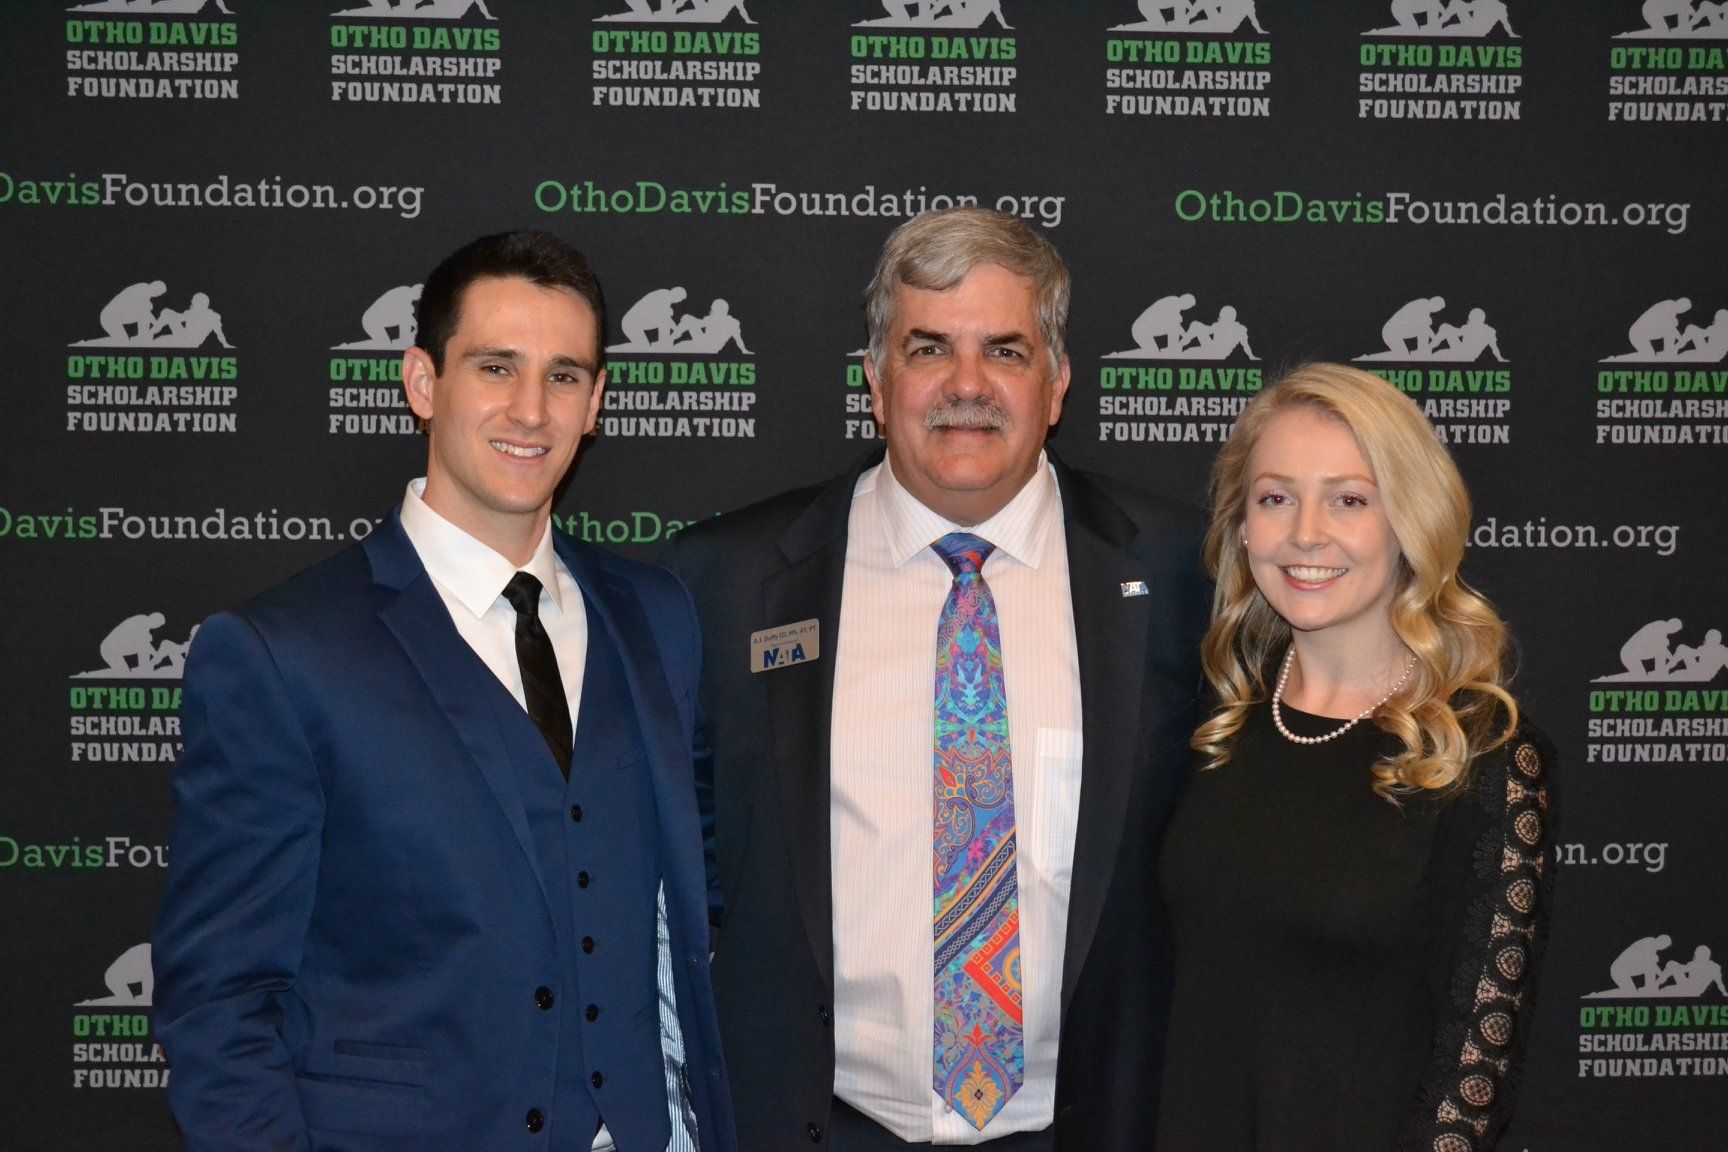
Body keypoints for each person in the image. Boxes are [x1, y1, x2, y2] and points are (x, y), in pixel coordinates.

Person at [152, 231, 735, 1152]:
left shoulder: (658, 616)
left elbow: (696, 906)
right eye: (496, 367)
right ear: (423, 382)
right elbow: (221, 1001)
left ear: (597, 406)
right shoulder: (280, 652)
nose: (531, 410)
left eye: (565, 376)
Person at [663, 207, 1208, 1151]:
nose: (967, 385)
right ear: (876, 382)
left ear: (1058, 383)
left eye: (1005, 349)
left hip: (1079, 1127)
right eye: (928, 349)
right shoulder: (727, 582)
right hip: (822, 1125)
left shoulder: (1177, 575)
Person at [1158, 362, 1556, 1152]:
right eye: (1276, 498)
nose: (1307, 533)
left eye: (1349, 500)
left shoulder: (1482, 755)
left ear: (1411, 520)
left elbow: (1472, 1086)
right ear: (1242, 526)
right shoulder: (1212, 724)